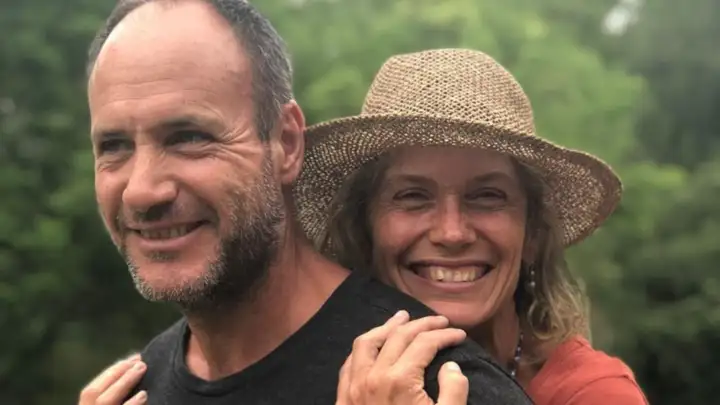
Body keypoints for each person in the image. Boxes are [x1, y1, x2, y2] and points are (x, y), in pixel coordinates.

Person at [78, 1, 533, 404]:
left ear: (286, 143)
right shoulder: (137, 388)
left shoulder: (437, 387)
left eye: (189, 137)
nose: (142, 191)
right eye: (114, 146)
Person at [293, 48, 649, 405]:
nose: (452, 233)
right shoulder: (311, 378)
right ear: (364, 229)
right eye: (413, 196)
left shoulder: (593, 393)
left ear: (533, 233)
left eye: (487, 197)